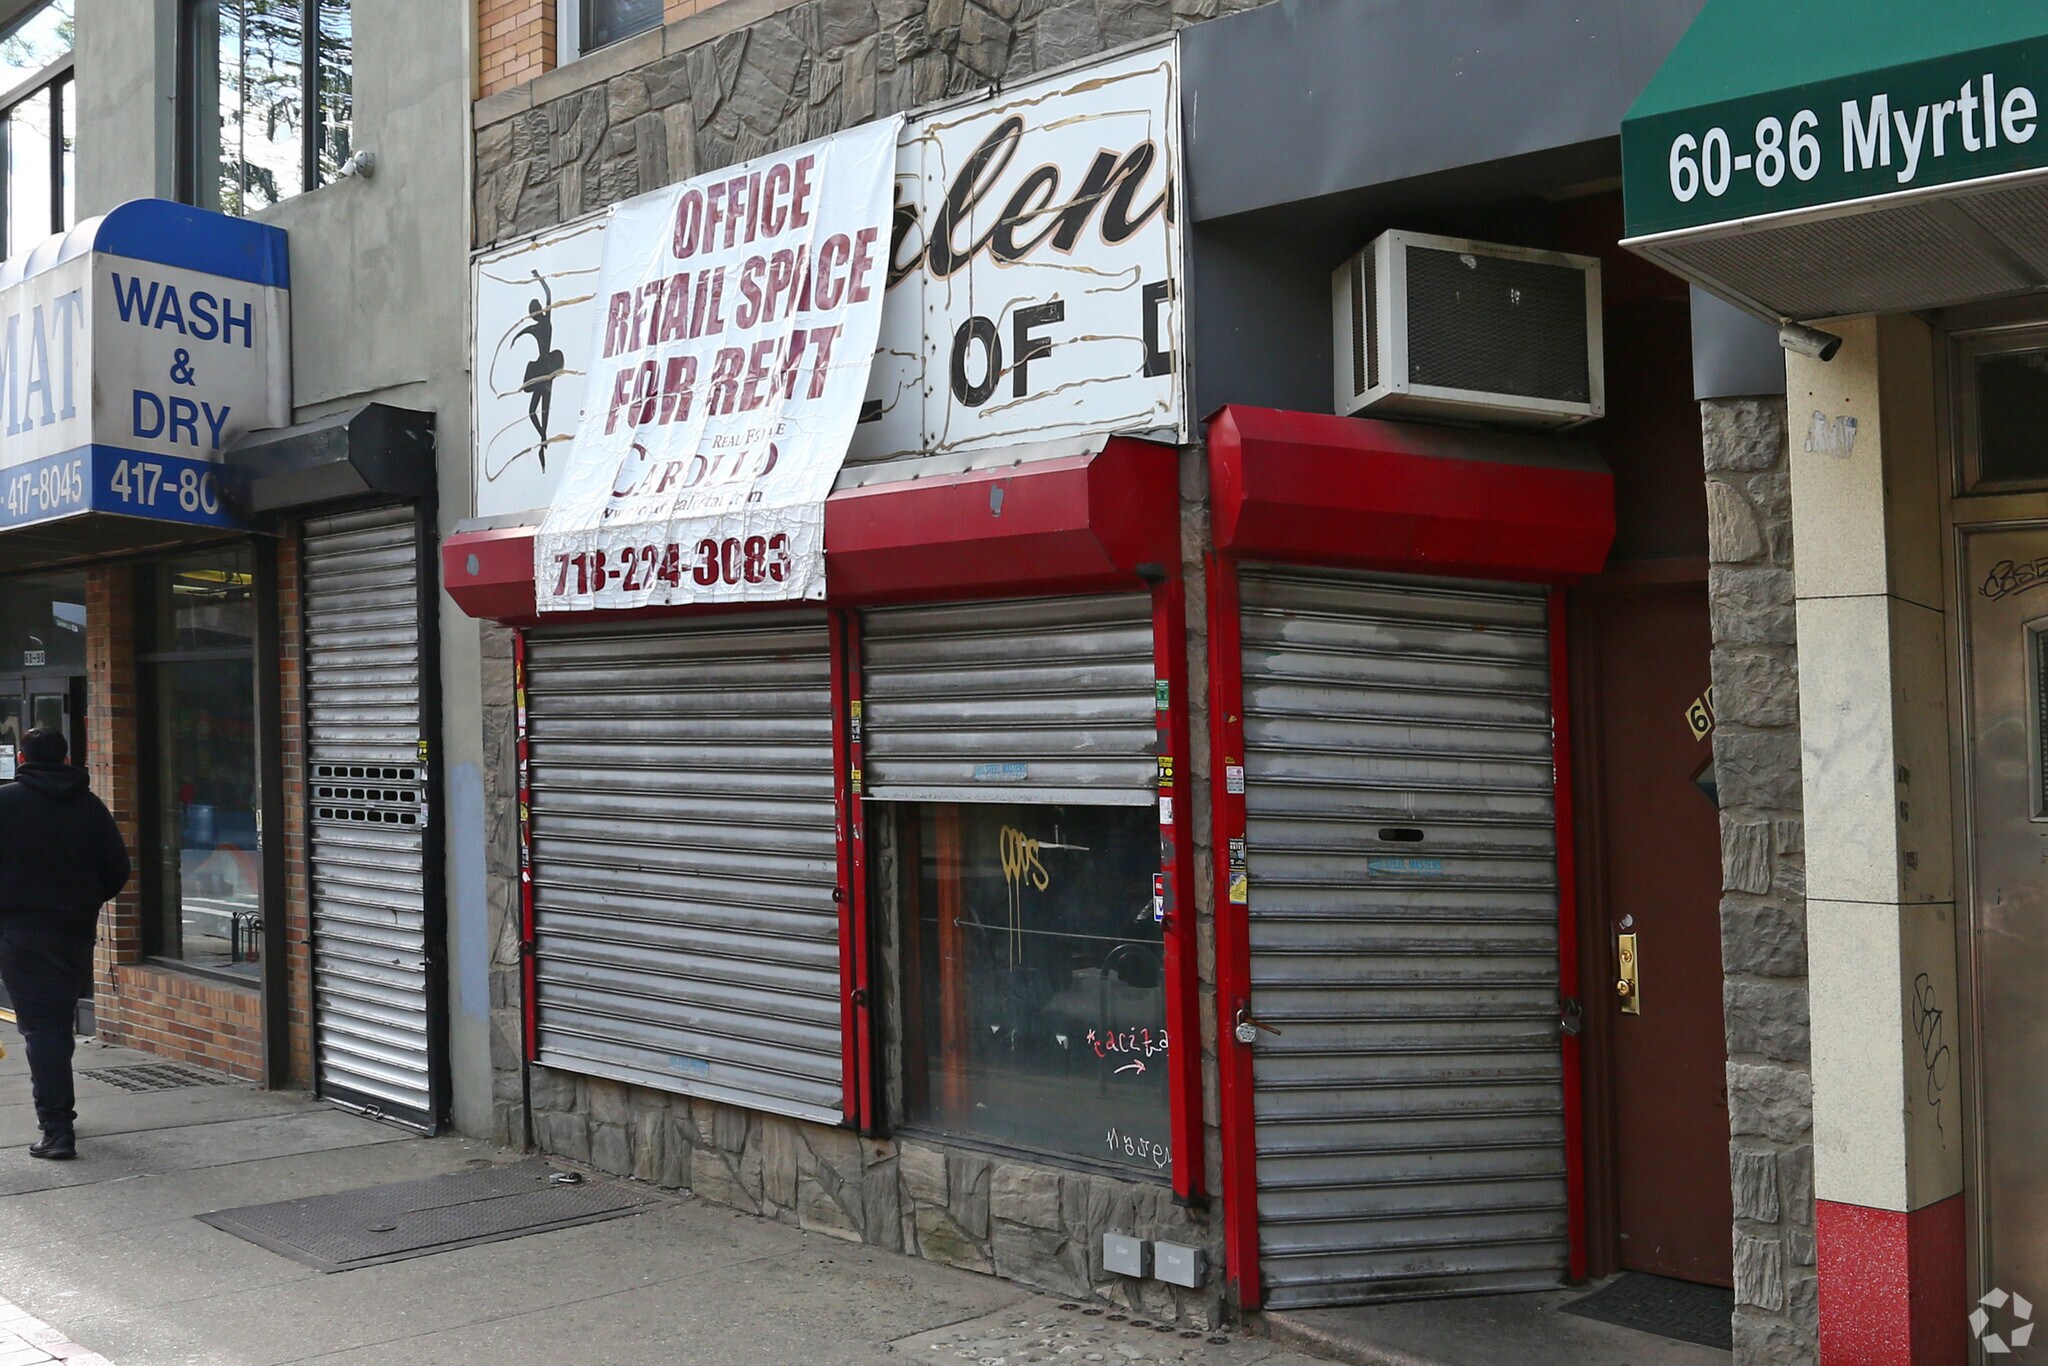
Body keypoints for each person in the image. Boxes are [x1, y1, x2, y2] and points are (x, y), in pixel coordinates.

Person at [0, 728, 130, 1159]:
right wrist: (84, 901)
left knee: (43, 1028)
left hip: (21, 932)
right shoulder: (89, 806)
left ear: (22, 759)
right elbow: (117, 868)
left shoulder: (5, 803)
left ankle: (57, 1130)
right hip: (74, 930)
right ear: (66, 758)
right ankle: (58, 1113)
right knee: (56, 1022)